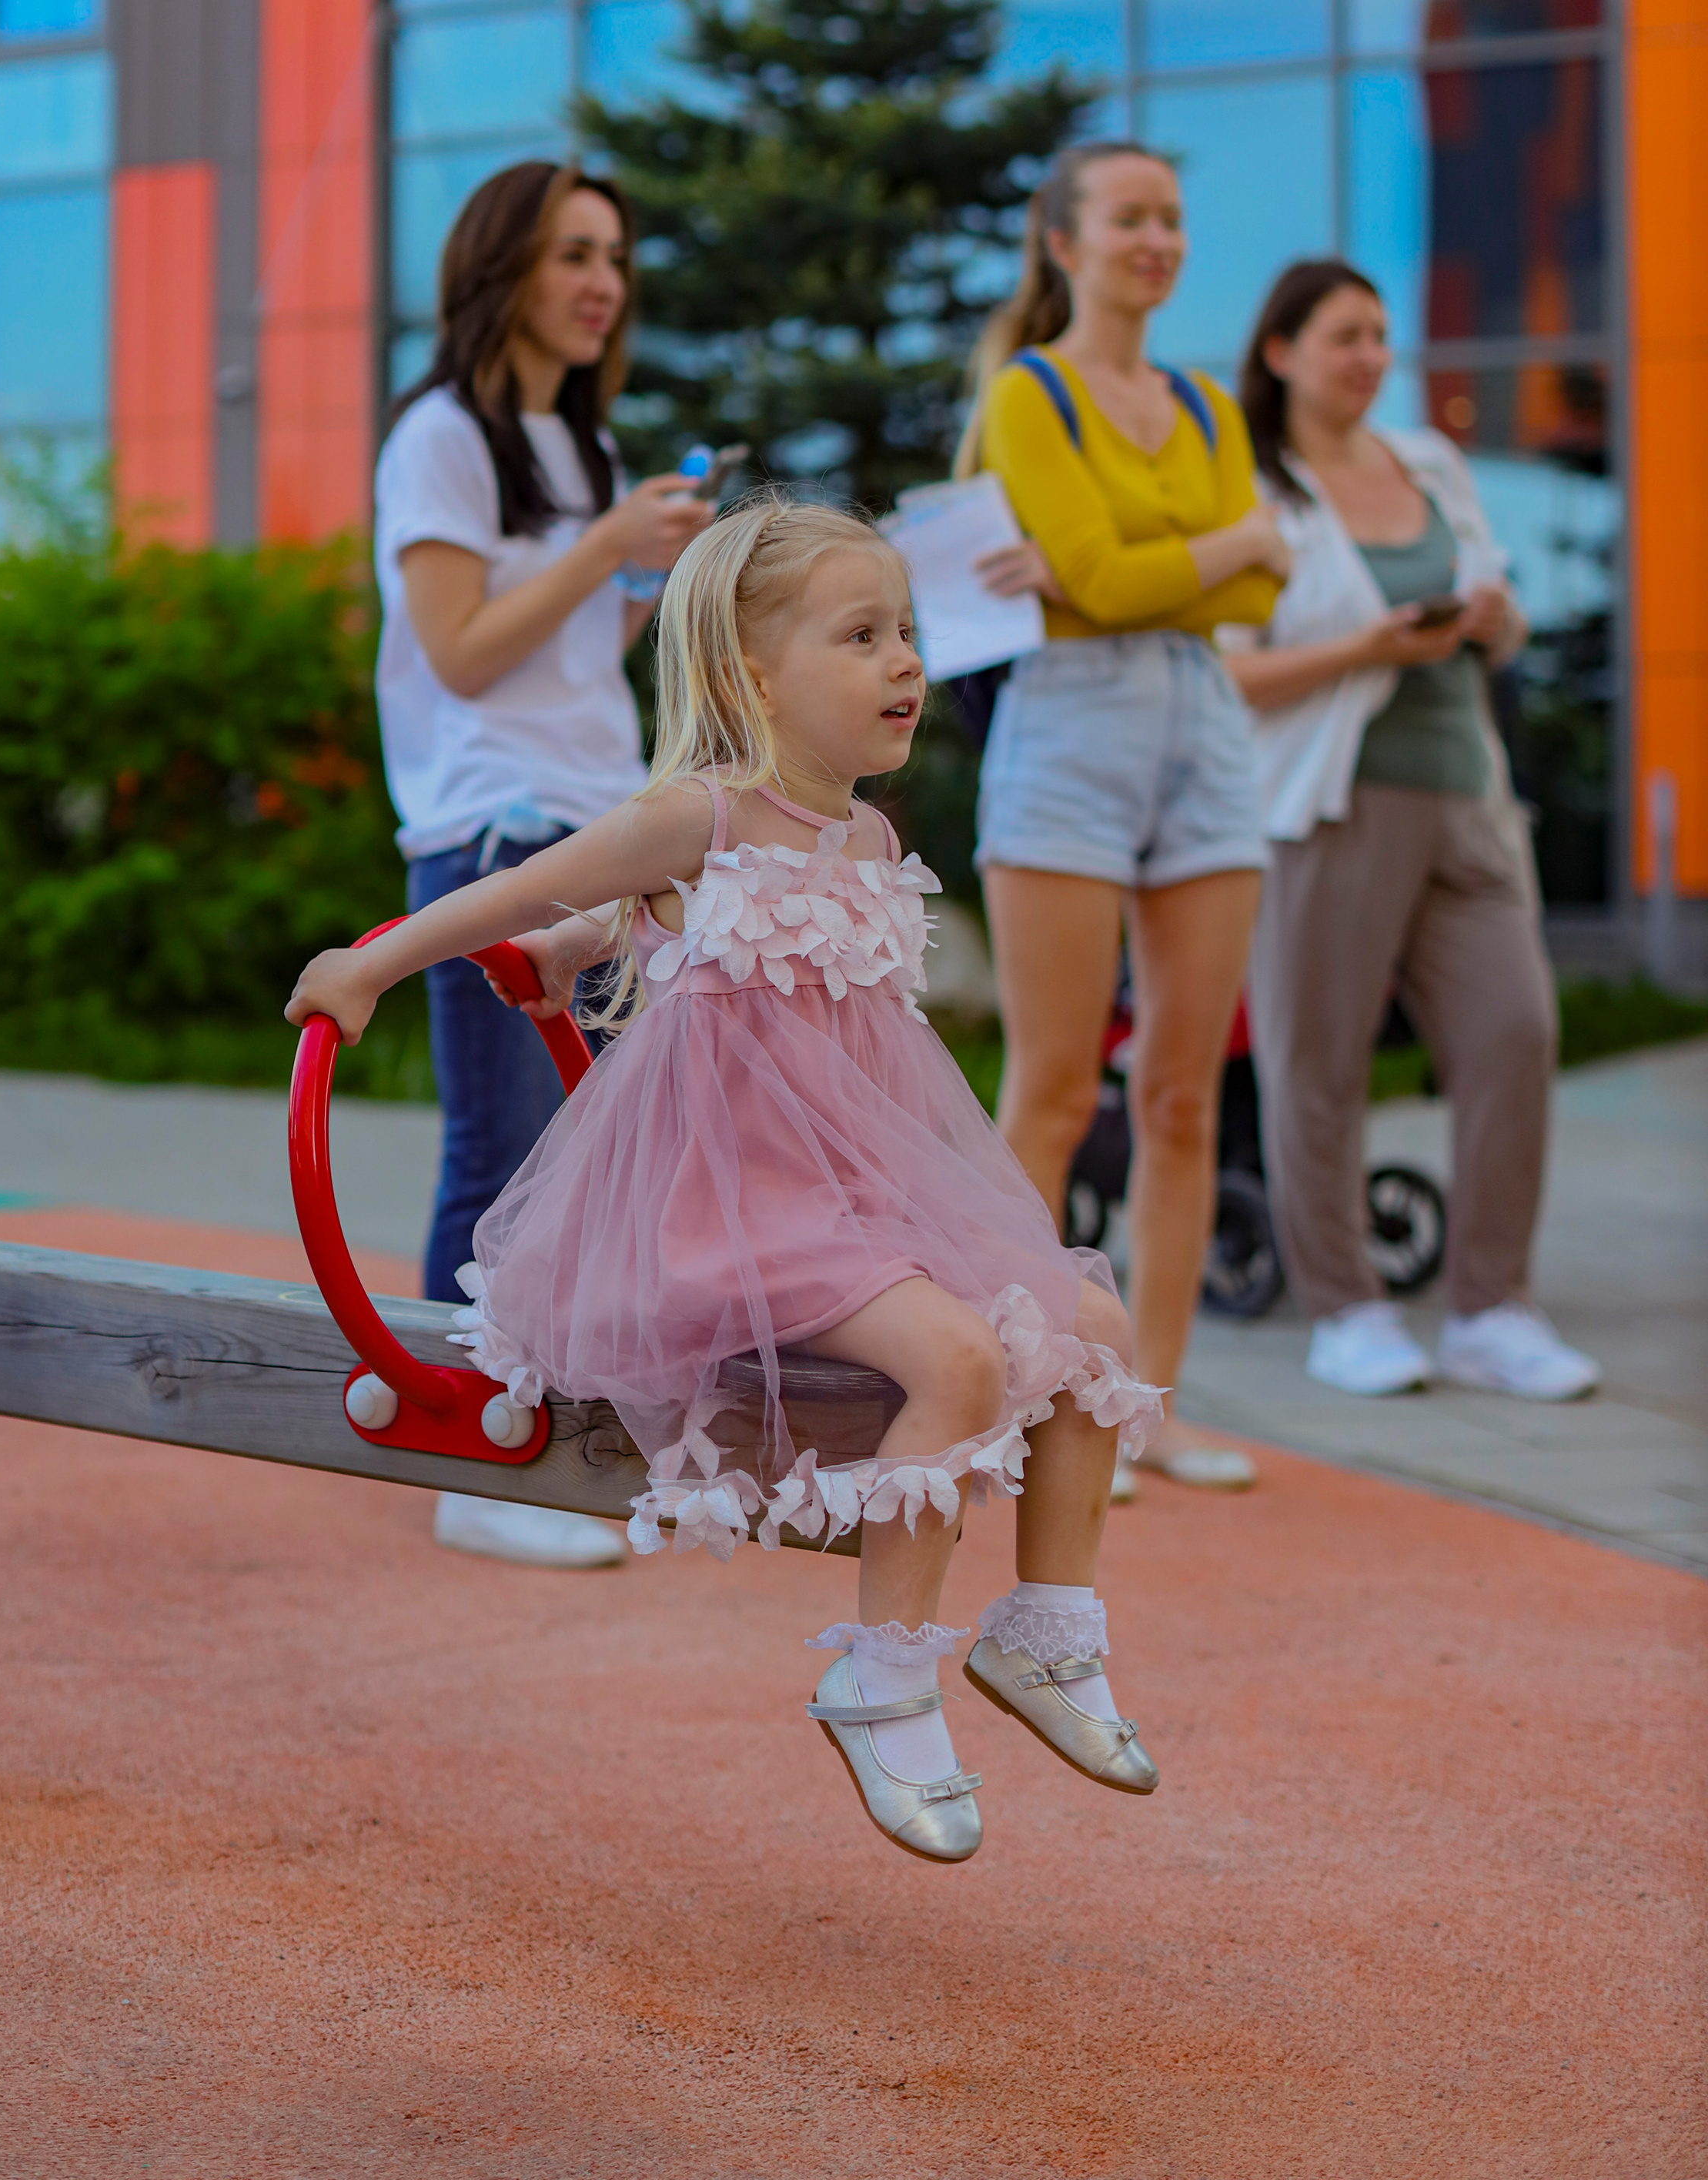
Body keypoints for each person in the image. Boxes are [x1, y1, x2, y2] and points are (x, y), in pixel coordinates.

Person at [291, 497, 1166, 1865]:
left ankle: (1047, 1632)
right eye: (862, 635)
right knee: (956, 1357)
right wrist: (372, 965)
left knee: (1098, 1326)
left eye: (910, 634)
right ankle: (882, 1680)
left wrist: (605, 934)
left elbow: (723, 975)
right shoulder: (699, 815)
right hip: (735, 1214)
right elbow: (527, 889)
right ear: (753, 673)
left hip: (858, 1197)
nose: (905, 665)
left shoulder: (873, 845)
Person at [373, 159, 714, 1566]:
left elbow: (569, 658)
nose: (602, 284)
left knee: (586, 1157)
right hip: (488, 826)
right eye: (575, 253)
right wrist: (602, 550)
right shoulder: (440, 436)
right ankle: (468, 1460)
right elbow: (460, 653)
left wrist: (638, 577)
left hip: (585, 815)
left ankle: (538, 1439)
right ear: (499, 267)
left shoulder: (578, 447)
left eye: (616, 258)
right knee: (498, 1146)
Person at [956, 142, 1290, 1494]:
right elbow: (1148, 572)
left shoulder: (1209, 404)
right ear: (1064, 242)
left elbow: (1241, 605)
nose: (1157, 238)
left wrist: (1127, 580)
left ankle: (1140, 1412)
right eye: (1129, 217)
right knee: (1050, 1088)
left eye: (1172, 218)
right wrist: (1231, 548)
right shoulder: (1027, 395)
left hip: (1202, 730)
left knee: (1184, 1097)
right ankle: (1000, 1388)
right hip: (1072, 729)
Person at [1223, 259, 1598, 1403]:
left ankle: (1492, 1308)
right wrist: (1363, 650)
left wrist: (1492, 617)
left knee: (1514, 1035)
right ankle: (1346, 1309)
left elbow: (1503, 607)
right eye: (1345, 337)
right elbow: (1231, 676)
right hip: (1332, 809)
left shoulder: (1429, 461)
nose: (1371, 357)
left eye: (1380, 337)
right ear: (1282, 351)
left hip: (1468, 797)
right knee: (1318, 1064)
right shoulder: (1252, 492)